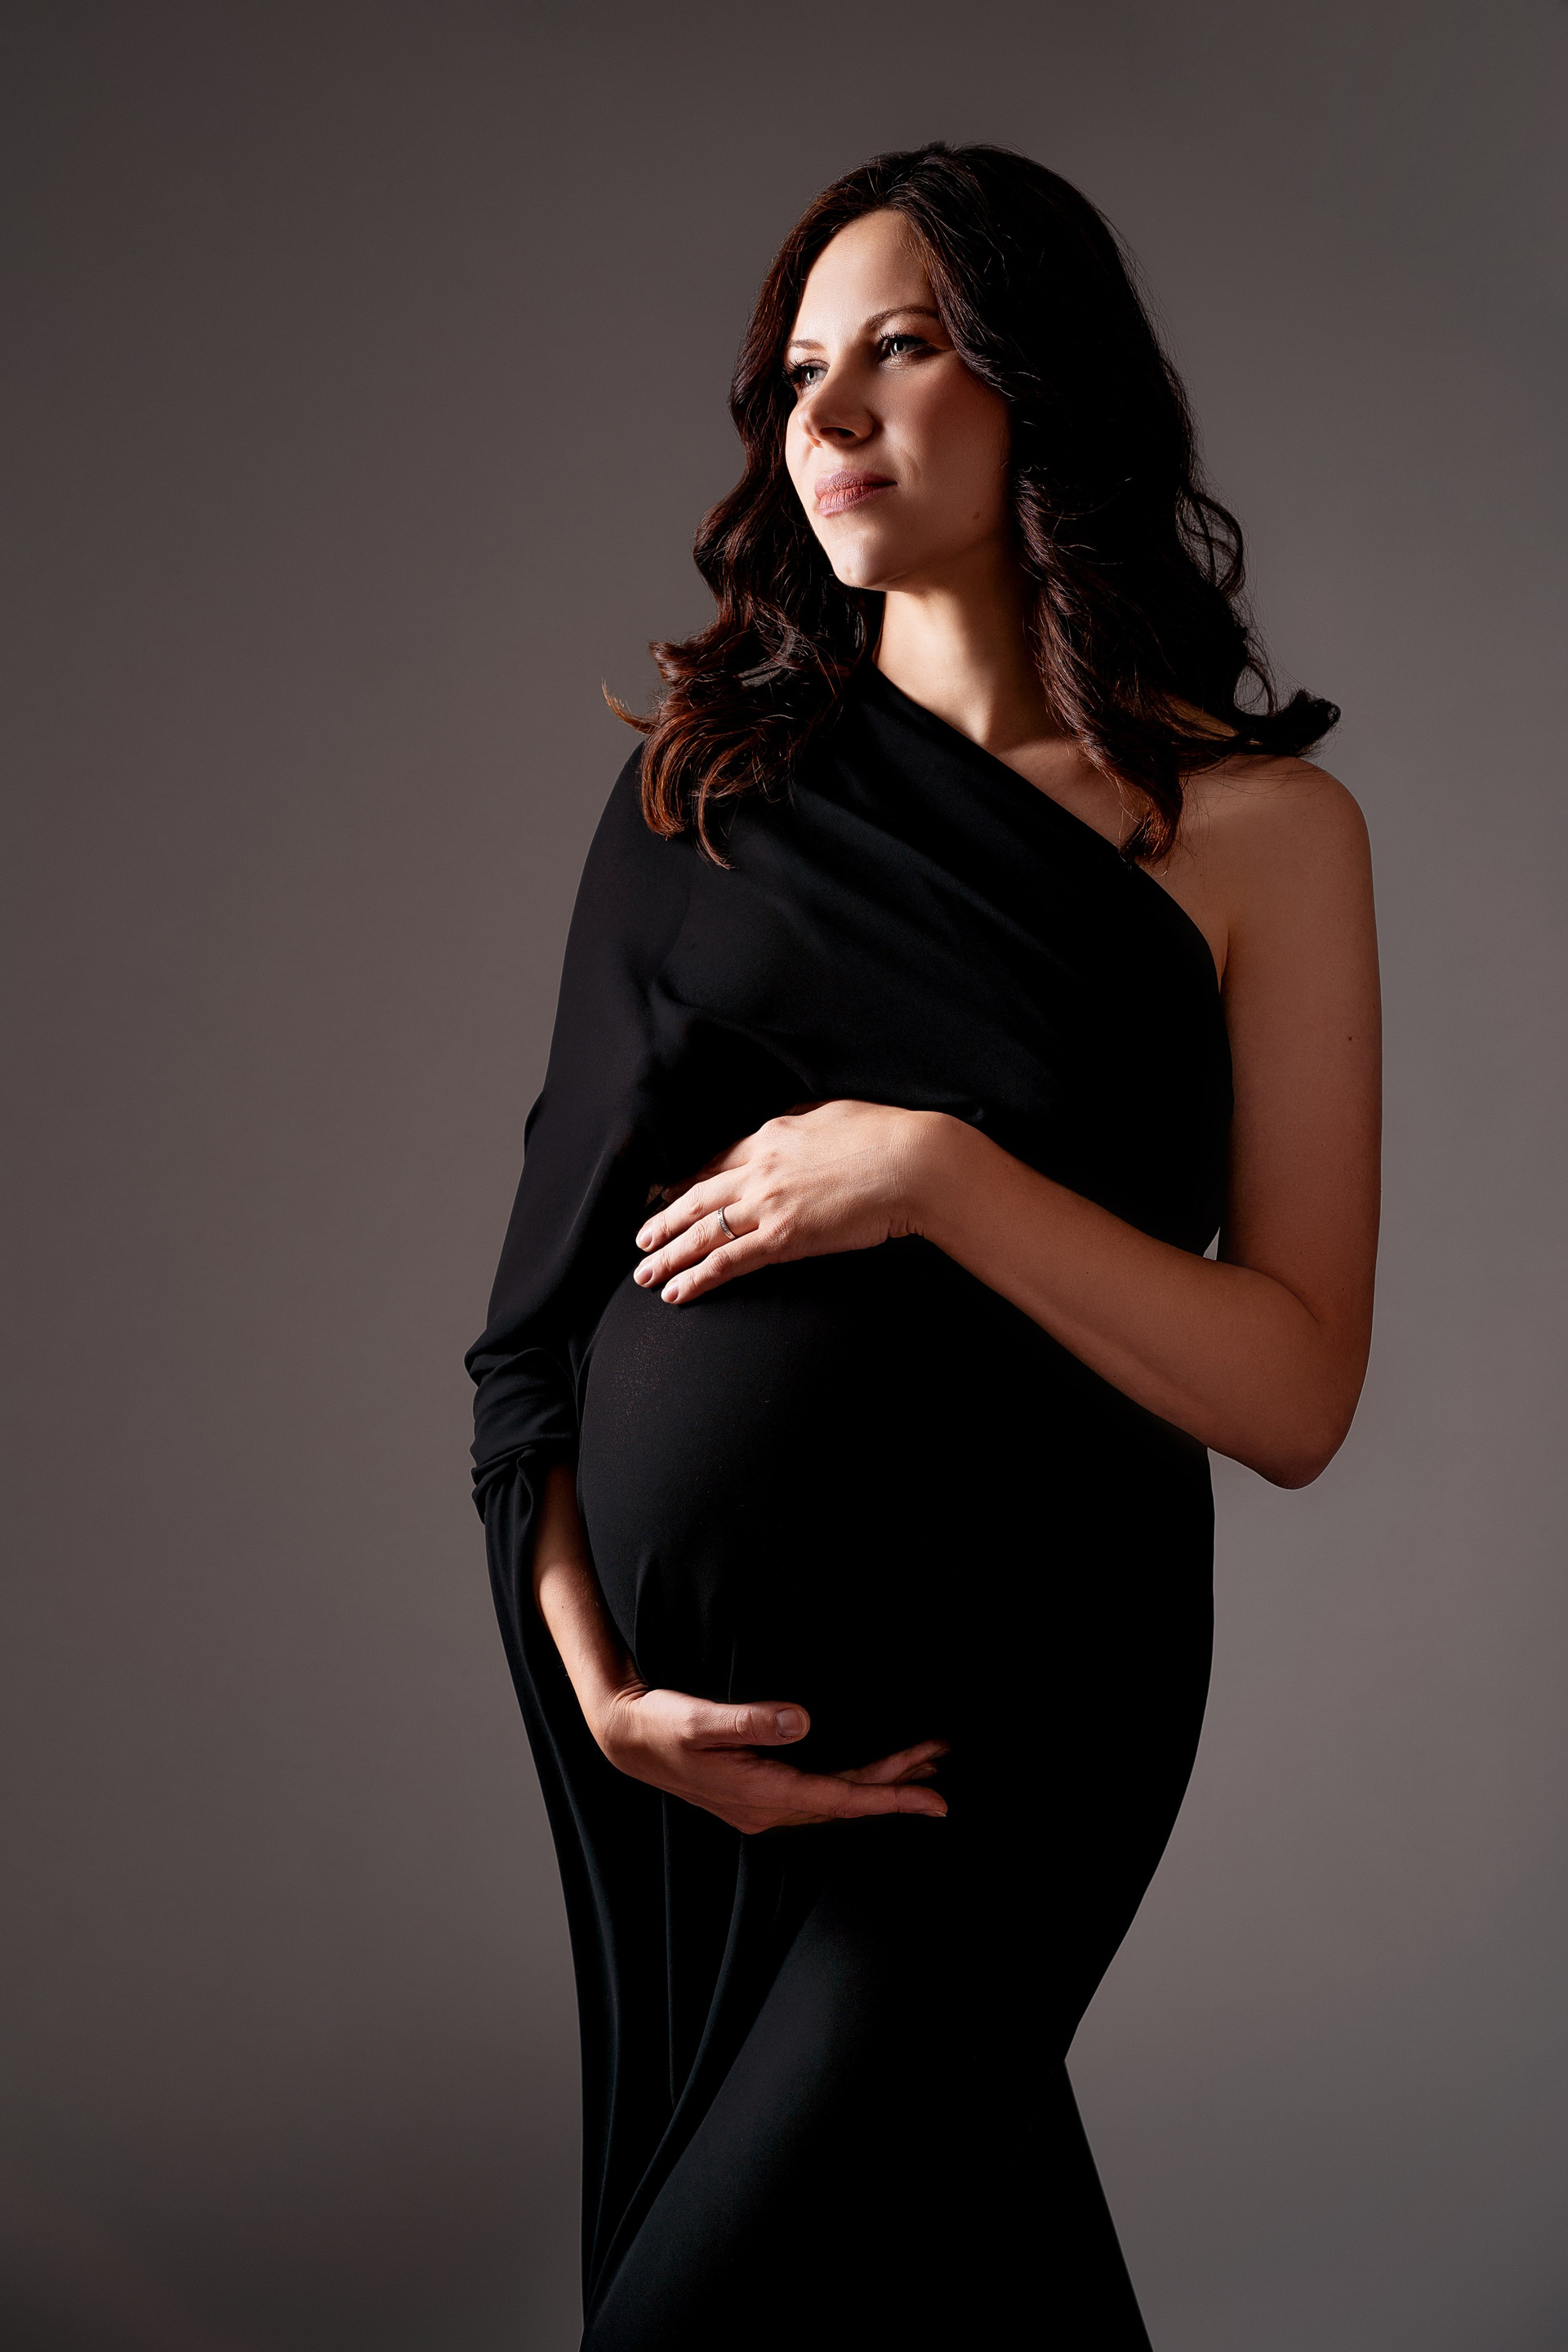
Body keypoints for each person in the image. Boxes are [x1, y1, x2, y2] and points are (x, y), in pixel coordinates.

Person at [466, 142, 1380, 2350]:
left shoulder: (1260, 835)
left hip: (1016, 1727)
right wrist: (606, 1697)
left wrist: (937, 1177)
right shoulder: (703, 792)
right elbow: (527, 1344)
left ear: (1041, 384)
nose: (833, 413)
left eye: (902, 346)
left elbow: (1293, 1389)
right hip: (694, 1759)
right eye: (799, 371)